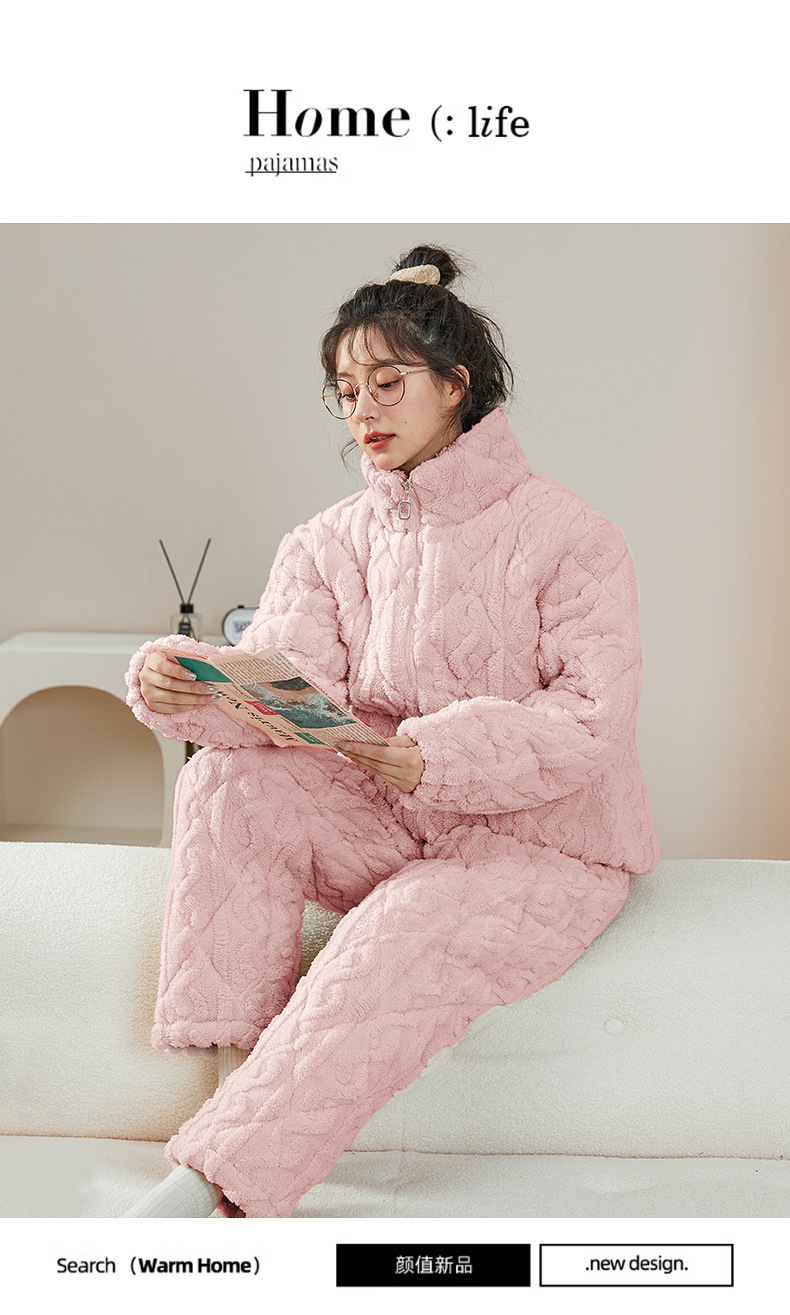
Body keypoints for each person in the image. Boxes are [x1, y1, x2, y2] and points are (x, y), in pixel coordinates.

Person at [122, 245, 659, 1218]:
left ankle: (214, 1178)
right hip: (387, 821)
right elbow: (290, 683)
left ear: (456, 385)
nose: (362, 409)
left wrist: (433, 755)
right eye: (345, 391)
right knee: (224, 782)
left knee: (403, 926)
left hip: (539, 848)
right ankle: (235, 1072)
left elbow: (592, 716)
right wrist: (188, 686)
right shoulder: (325, 542)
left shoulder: (569, 534)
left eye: (386, 382)